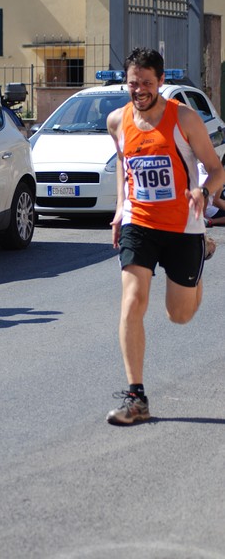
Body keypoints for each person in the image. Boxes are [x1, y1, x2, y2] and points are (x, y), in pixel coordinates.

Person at [106, 47, 225, 425]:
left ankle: (201, 257)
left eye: (145, 82)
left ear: (160, 82)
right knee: (132, 301)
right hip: (140, 224)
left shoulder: (184, 119)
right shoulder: (116, 121)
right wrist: (120, 209)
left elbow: (216, 169)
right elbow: (125, 167)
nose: (138, 89)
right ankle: (136, 397)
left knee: (180, 315)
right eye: (132, 83)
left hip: (183, 227)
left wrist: (204, 194)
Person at [199, 159, 225, 226]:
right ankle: (211, 221)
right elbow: (216, 201)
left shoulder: (199, 166)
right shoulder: (218, 179)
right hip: (207, 208)